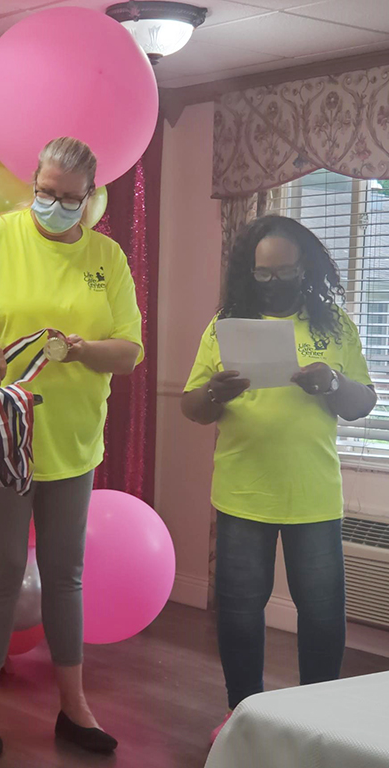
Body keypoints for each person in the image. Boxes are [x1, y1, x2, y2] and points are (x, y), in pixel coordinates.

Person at [0, 137, 143, 759]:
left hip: (71, 439)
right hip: (1, 433)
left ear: (90, 199)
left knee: (66, 575)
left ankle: (75, 705)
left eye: (70, 198)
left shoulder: (108, 258)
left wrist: (83, 349)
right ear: (32, 182)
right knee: (3, 570)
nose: (55, 206)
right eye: (46, 192)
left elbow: (130, 349)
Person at [181, 215, 376, 743]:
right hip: (243, 495)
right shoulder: (226, 324)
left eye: (285, 271)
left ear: (305, 268)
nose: (274, 282)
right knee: (241, 615)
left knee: (322, 615)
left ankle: (320, 721)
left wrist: (333, 382)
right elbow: (192, 406)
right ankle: (245, 718)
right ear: (249, 273)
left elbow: (364, 402)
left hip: (313, 496)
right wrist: (218, 391)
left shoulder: (333, 324)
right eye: (263, 275)